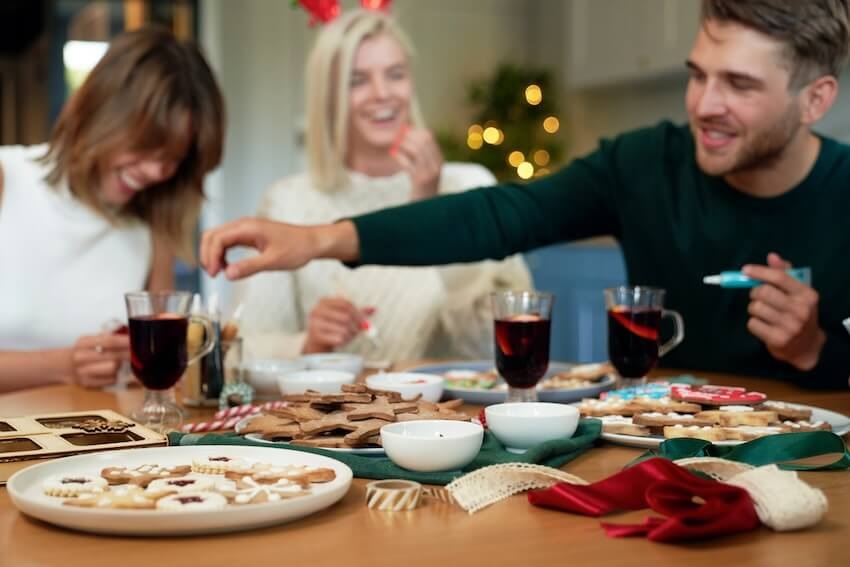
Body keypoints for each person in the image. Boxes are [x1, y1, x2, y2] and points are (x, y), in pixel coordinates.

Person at [201, 0, 850, 389]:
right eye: (698, 75)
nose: (704, 105)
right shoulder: (643, 163)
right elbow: (501, 213)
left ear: (814, 99)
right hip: (663, 452)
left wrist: (816, 350)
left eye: (739, 84)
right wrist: (316, 239)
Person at [235, 10, 531, 363]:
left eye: (395, 74)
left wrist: (433, 213)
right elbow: (240, 352)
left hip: (448, 416)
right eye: (356, 80)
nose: (382, 94)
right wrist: (307, 343)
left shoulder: (471, 186)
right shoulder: (289, 203)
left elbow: (504, 349)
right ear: (327, 97)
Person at [0, 27, 225, 392]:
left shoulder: (150, 225)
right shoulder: (8, 180)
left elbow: (153, 380)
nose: (155, 172)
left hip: (97, 440)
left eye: (173, 158)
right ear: (100, 113)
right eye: (147, 145)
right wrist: (62, 365)